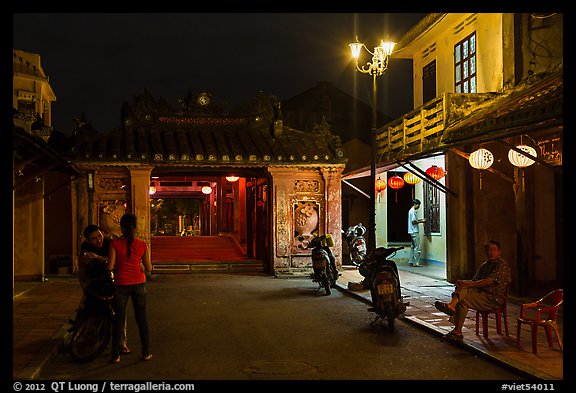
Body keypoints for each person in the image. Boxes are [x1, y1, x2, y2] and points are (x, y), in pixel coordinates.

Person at [434, 239, 512, 342]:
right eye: (488, 250)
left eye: (494, 250)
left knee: (463, 298)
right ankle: (456, 326)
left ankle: (452, 310)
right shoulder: (484, 266)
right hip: (480, 294)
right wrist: (463, 283)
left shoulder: (501, 265)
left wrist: (469, 284)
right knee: (463, 289)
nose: (491, 252)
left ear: (499, 251)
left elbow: (489, 281)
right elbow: (474, 281)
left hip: (492, 298)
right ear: (485, 252)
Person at [107, 213, 153, 363]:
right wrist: (139, 264)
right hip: (139, 283)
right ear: (135, 227)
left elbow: (110, 266)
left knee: (119, 320)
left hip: (120, 284)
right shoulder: (142, 244)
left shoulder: (114, 244)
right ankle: (146, 353)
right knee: (142, 319)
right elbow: (149, 268)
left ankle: (115, 356)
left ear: (121, 227)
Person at [78, 225, 131, 354]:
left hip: (113, 281)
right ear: (88, 240)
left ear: (102, 233)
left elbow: (118, 262)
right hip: (94, 282)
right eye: (93, 239)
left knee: (119, 311)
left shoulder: (111, 243)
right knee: (88, 308)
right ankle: (93, 337)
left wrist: (97, 257)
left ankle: (122, 343)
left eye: (99, 236)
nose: (98, 240)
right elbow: (82, 265)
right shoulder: (85, 246)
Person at [407, 199, 426, 267]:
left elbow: (415, 220)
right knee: (417, 247)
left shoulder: (410, 211)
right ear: (415, 204)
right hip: (414, 231)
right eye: (418, 205)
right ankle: (416, 263)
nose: (419, 206)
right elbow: (413, 221)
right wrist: (422, 222)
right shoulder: (413, 211)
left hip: (411, 231)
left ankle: (411, 261)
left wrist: (421, 220)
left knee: (412, 247)